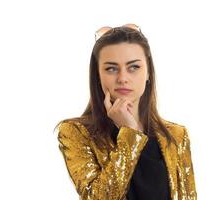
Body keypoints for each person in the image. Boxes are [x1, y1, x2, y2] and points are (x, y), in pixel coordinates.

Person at [55, 23, 197, 200]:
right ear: (98, 75)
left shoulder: (176, 135)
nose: (123, 78)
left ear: (148, 73)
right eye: (111, 68)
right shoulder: (75, 132)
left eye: (134, 67)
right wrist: (130, 134)